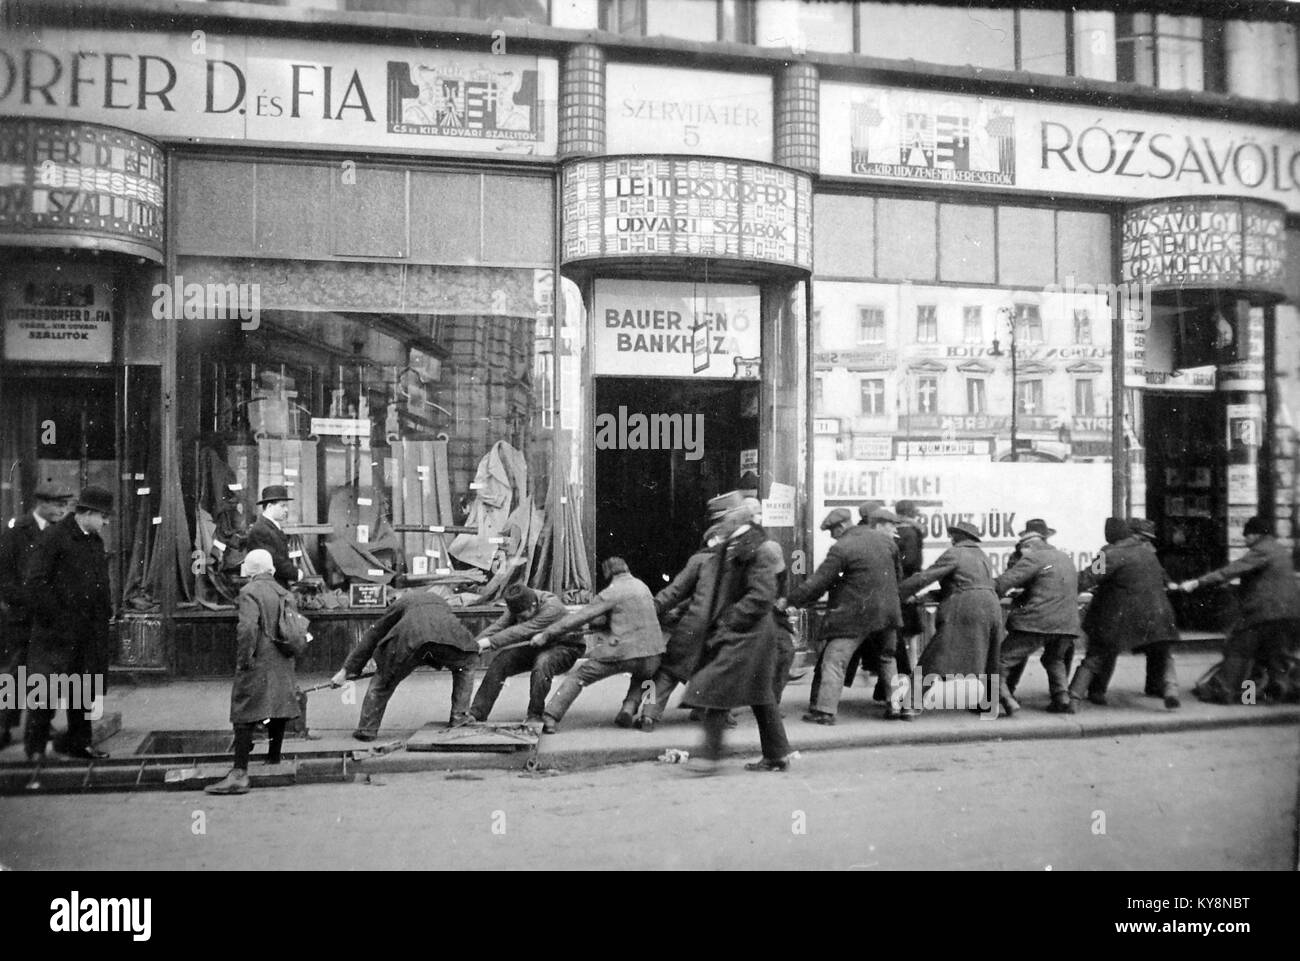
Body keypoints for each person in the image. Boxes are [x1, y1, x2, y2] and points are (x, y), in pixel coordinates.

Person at [682, 506, 791, 773]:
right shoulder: (735, 545)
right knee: (760, 694)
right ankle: (777, 755)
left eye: (723, 519)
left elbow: (762, 595)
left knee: (717, 688)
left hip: (747, 632)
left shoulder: (759, 549)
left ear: (736, 520)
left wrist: (729, 620)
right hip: (745, 631)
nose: (719, 524)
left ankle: (708, 757)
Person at [782, 506, 903, 723]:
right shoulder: (887, 542)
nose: (832, 535)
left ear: (842, 526)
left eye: (832, 531)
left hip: (855, 615)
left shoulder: (842, 547)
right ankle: (898, 707)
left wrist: (791, 600)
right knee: (887, 658)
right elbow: (897, 577)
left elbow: (819, 582)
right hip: (888, 613)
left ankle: (825, 711)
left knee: (834, 660)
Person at [23, 486, 114, 762]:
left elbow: (100, 583)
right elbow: (36, 582)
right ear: (86, 513)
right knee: (46, 692)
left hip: (88, 632)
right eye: (103, 516)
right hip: (56, 633)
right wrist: (59, 618)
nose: (106, 522)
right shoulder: (54, 537)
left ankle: (79, 743)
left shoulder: (94, 540)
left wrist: (105, 612)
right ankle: (36, 749)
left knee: (83, 690)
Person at [205, 550, 305, 795]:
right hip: (282, 660)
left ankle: (239, 773)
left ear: (250, 570)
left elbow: (248, 629)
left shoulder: (249, 592)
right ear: (270, 569)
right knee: (278, 708)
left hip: (258, 659)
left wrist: (243, 660)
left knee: (243, 710)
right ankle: (273, 759)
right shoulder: (284, 592)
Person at [1180, 516, 1300, 704]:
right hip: (1288, 614)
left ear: (1255, 534)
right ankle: (1282, 691)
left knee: (1240, 653)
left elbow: (1232, 569)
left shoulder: (1262, 549)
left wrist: (1196, 582)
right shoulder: (1278, 549)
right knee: (1273, 657)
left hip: (1264, 614)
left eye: (1247, 536)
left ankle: (1237, 693)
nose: (1245, 541)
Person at [332, 587, 480, 739]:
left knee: (383, 682)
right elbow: (441, 629)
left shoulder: (401, 602)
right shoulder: (439, 600)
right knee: (467, 663)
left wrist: (345, 670)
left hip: (410, 642)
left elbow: (373, 634)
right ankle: (459, 717)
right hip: (446, 639)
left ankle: (366, 729)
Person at [539, 557, 664, 733]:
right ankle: (634, 710)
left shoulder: (612, 591)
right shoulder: (643, 587)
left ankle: (551, 716)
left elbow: (580, 617)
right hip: (653, 653)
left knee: (579, 677)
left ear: (607, 573)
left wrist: (548, 633)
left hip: (622, 652)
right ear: (627, 568)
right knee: (647, 677)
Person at [1069, 518, 1181, 710]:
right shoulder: (1147, 551)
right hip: (1158, 612)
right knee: (1162, 651)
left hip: (1120, 615)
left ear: (1110, 536)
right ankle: (1171, 689)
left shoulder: (1109, 554)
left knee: (1098, 652)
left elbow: (1087, 579)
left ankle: (1074, 697)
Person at [898, 521, 1003, 712]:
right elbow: (968, 584)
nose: (951, 539)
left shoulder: (956, 553)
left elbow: (926, 577)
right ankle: (990, 704)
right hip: (991, 606)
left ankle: (911, 704)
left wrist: (898, 594)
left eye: (952, 536)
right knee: (990, 657)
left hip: (965, 607)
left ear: (957, 536)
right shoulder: (982, 556)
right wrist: (928, 596)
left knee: (935, 656)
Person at [0, 482, 71, 750]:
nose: (62, 510)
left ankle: (41, 722)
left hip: (47, 618)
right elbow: (5, 576)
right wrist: (22, 602)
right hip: (21, 616)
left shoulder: (59, 532)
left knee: (45, 673)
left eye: (65, 505)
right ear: (41, 503)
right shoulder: (17, 530)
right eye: (57, 505)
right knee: (16, 672)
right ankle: (5, 724)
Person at [993, 520, 1080, 715]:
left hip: (1038, 621)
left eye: (1022, 549)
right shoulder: (1063, 556)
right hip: (1067, 622)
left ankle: (1004, 700)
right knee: (1054, 659)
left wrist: (986, 589)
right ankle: (1062, 698)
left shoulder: (1034, 557)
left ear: (1028, 546)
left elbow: (1004, 582)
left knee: (999, 660)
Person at [643, 526, 724, 732]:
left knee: (666, 672)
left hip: (692, 625)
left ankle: (648, 714)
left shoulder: (699, 561)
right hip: (719, 628)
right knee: (712, 671)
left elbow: (674, 591)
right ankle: (704, 710)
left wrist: (649, 609)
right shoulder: (733, 563)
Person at [467, 584, 579, 727]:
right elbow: (499, 627)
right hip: (536, 645)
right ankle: (477, 713)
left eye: (522, 616)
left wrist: (489, 642)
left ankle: (535, 715)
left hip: (566, 646)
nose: (520, 619)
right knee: (500, 662)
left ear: (534, 605)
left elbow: (522, 630)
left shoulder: (552, 607)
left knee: (542, 663)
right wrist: (472, 646)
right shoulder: (517, 603)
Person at [246, 485, 300, 589]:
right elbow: (274, 561)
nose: (286, 510)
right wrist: (296, 573)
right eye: (282, 506)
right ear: (270, 506)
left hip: (276, 585)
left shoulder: (271, 526)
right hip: (268, 588)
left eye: (286, 506)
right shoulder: (261, 529)